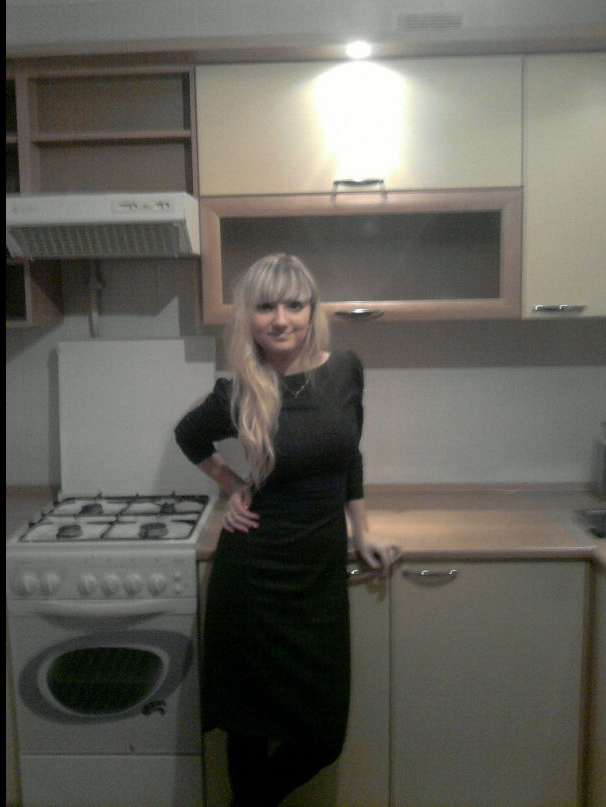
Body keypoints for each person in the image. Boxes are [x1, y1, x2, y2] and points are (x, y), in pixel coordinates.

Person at [175, 253, 401, 806]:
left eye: (294, 305)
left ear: (311, 310)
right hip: (253, 578)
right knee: (248, 730)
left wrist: (362, 531)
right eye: (265, 307)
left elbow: (349, 456)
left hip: (317, 577)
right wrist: (233, 485)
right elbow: (188, 435)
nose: (281, 320)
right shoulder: (239, 390)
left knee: (321, 740)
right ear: (247, 317)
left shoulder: (345, 369)